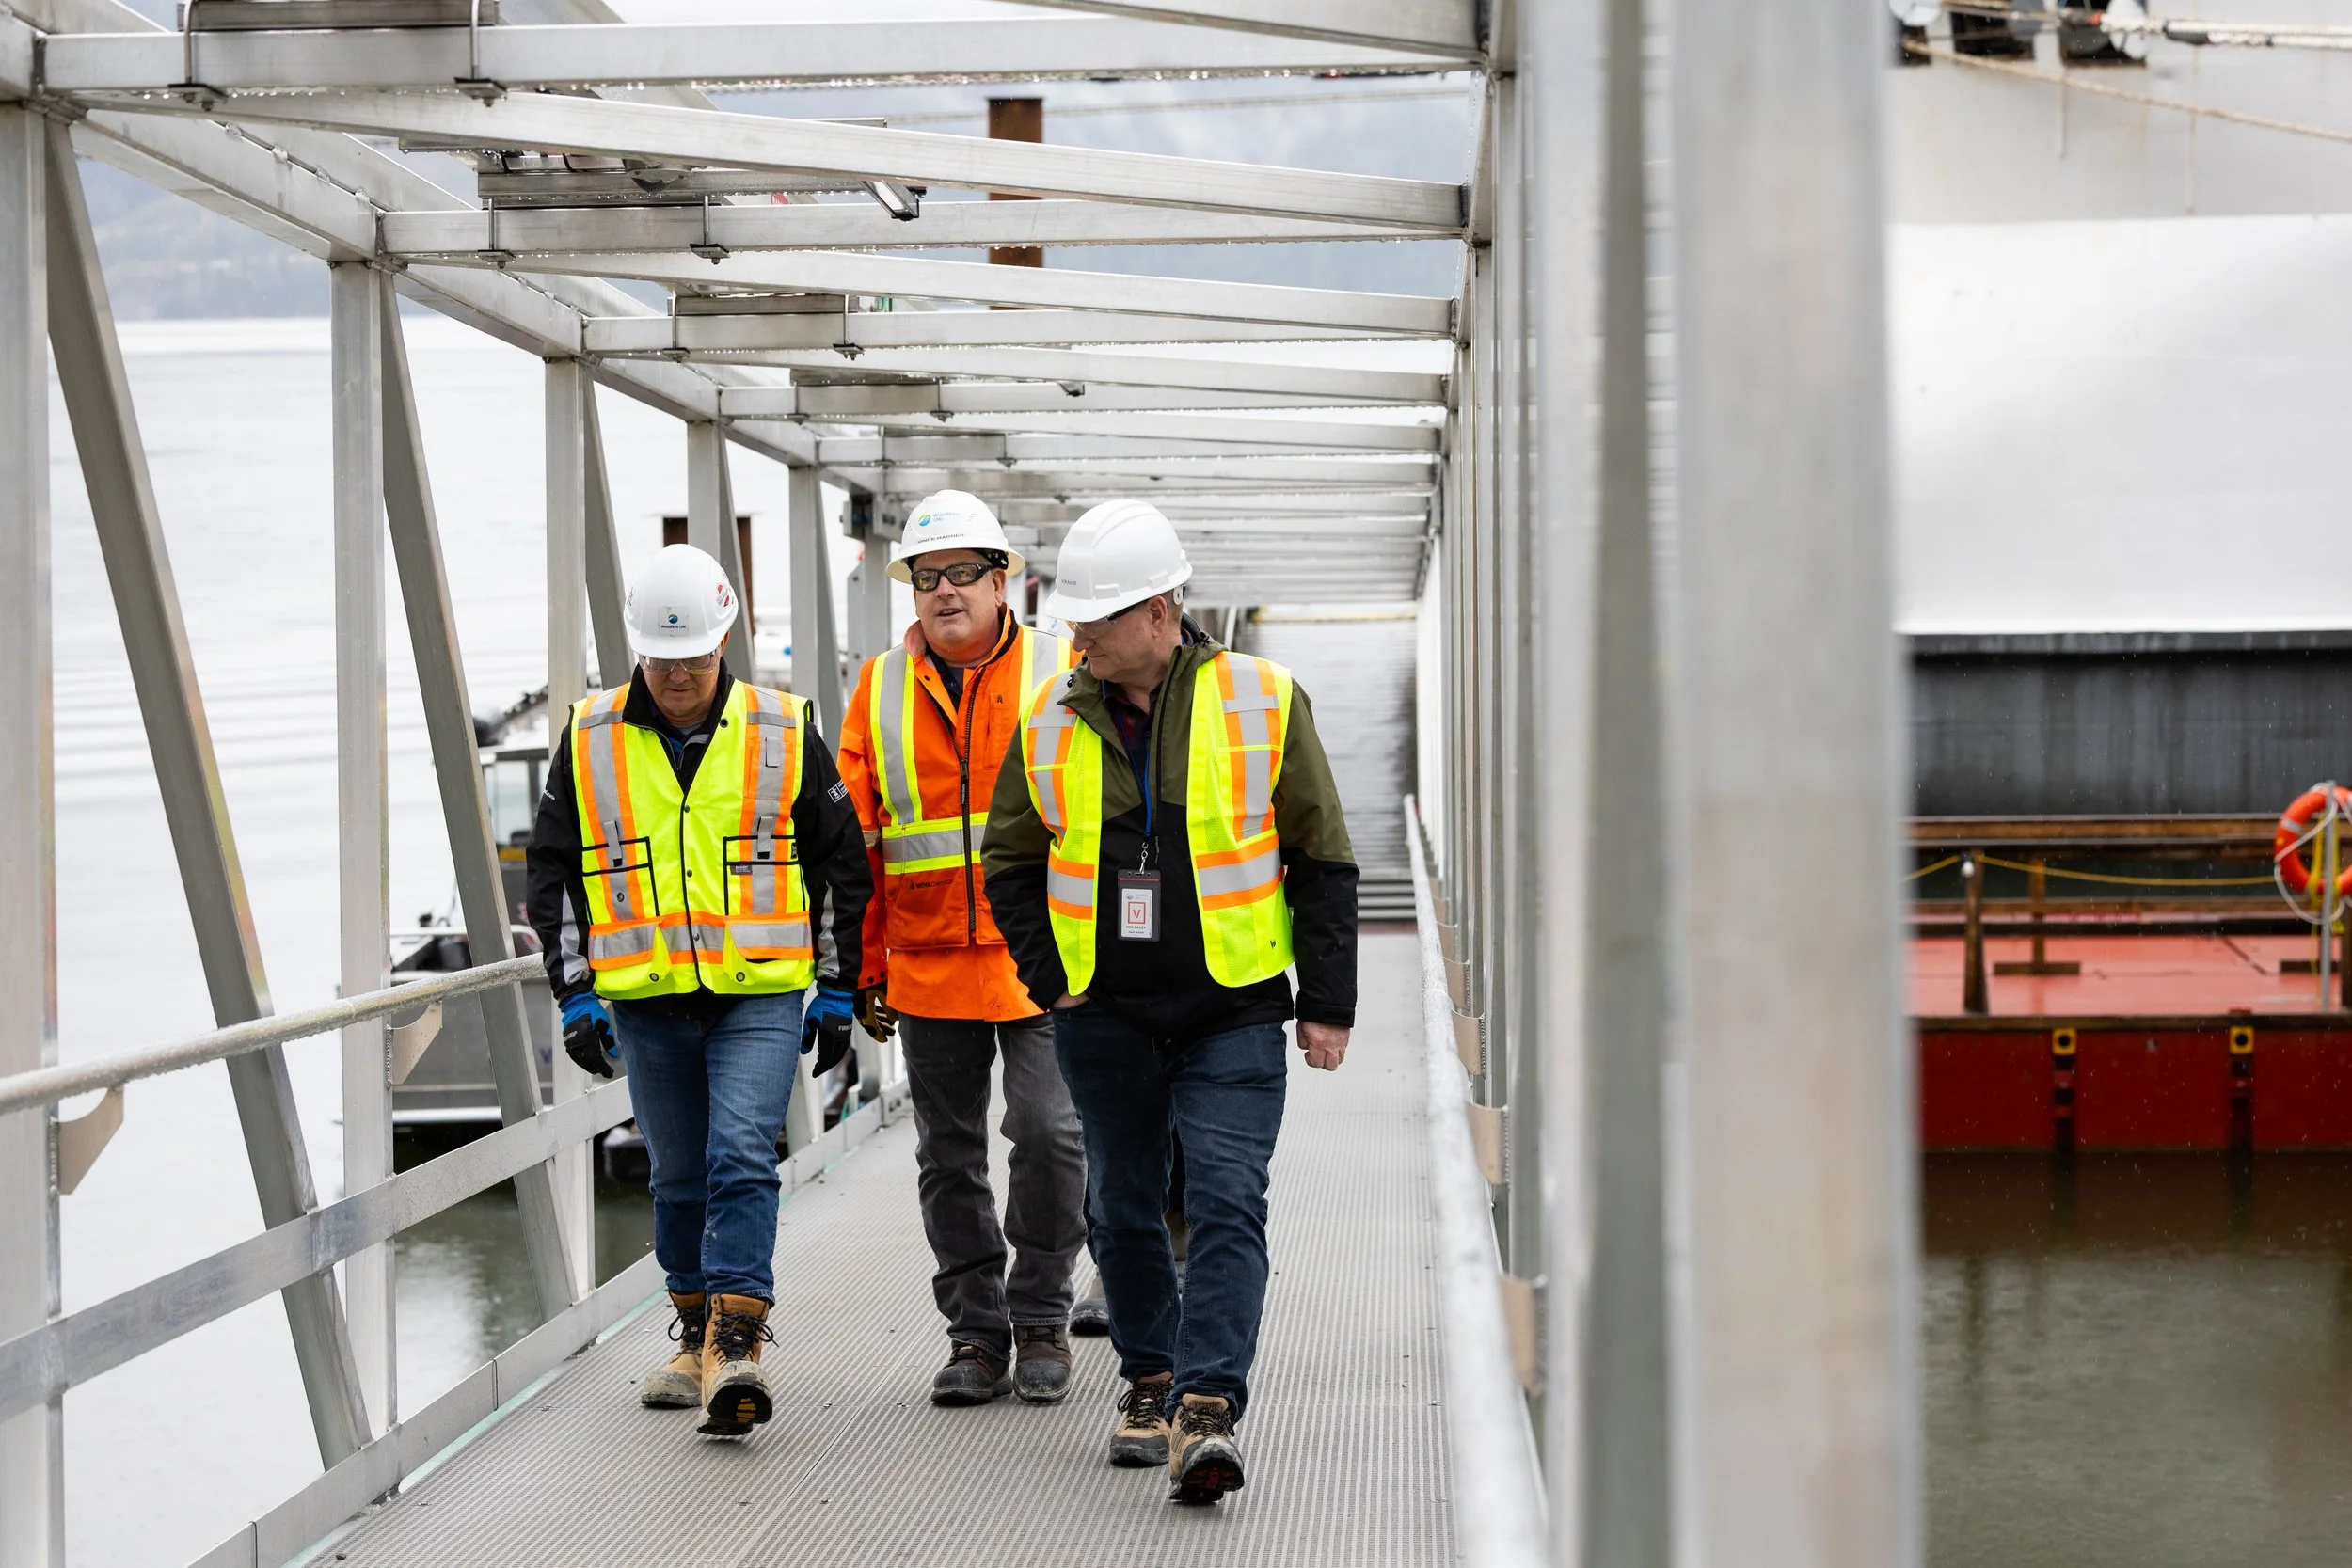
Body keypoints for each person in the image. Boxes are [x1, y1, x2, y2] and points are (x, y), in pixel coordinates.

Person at [980, 499, 1359, 1505]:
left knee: (1229, 1195)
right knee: (1123, 1205)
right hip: (1101, 1011)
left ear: (1158, 612)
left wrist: (1326, 1002)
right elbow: (1009, 862)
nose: (1079, 635)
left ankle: (1207, 1406)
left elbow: (1322, 855)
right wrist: (1045, 976)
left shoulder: (1263, 699)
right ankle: (1148, 1375)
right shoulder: (1050, 721)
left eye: (1097, 618)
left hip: (1230, 1008)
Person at [525, 542, 871, 1440]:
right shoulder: (591, 736)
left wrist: (838, 989)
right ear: (637, 650)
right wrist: (573, 994)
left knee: (741, 1154)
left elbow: (840, 864)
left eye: (696, 657)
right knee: (676, 1173)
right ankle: (693, 1332)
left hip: (757, 992)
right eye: (662, 659)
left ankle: (737, 1344)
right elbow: (554, 875)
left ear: (725, 641)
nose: (679, 676)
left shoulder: (783, 727)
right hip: (644, 999)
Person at [835, 489, 1092, 1405]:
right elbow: (858, 846)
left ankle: (1039, 1315)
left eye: (961, 575)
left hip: (1044, 961)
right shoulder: (877, 688)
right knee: (949, 1154)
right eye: (925, 577)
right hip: (928, 959)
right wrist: (860, 968)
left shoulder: (1064, 668)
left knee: (1053, 1133)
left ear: (1003, 581)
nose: (943, 592)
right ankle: (976, 1333)